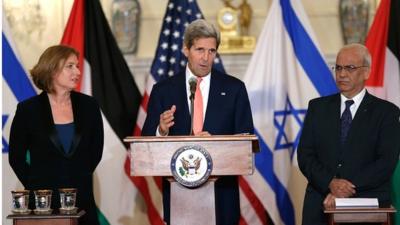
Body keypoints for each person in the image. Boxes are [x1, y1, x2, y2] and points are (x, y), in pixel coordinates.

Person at [142, 19, 254, 225]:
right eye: (199, 50)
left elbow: (246, 140)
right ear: (186, 49)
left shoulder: (234, 89)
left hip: (222, 198)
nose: (205, 58)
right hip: (179, 199)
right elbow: (145, 144)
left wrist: (217, 144)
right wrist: (161, 129)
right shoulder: (163, 91)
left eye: (212, 51)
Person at [297, 43, 400, 225]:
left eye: (350, 68)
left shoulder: (387, 112)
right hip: (320, 203)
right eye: (338, 67)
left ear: (366, 72)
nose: (342, 74)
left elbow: (386, 161)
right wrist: (330, 183)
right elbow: (305, 155)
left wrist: (344, 189)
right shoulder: (317, 108)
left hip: (367, 203)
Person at [8, 45, 104, 225]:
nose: (77, 71)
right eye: (70, 66)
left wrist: (77, 176)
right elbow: (16, 157)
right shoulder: (28, 110)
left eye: (77, 66)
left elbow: (95, 152)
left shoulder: (89, 106)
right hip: (42, 206)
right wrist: (38, 185)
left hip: (82, 202)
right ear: (52, 69)